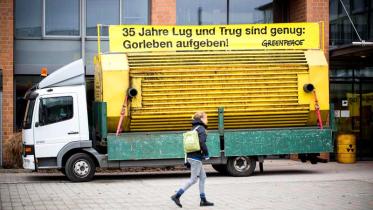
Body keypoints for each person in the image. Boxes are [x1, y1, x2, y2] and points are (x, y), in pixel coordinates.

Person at [171, 111, 214, 208]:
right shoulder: (201, 129)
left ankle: (203, 200)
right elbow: (202, 143)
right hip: (196, 158)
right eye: (206, 118)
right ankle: (177, 195)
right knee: (193, 179)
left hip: (191, 156)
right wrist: (206, 154)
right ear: (201, 119)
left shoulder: (194, 128)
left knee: (203, 177)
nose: (207, 120)